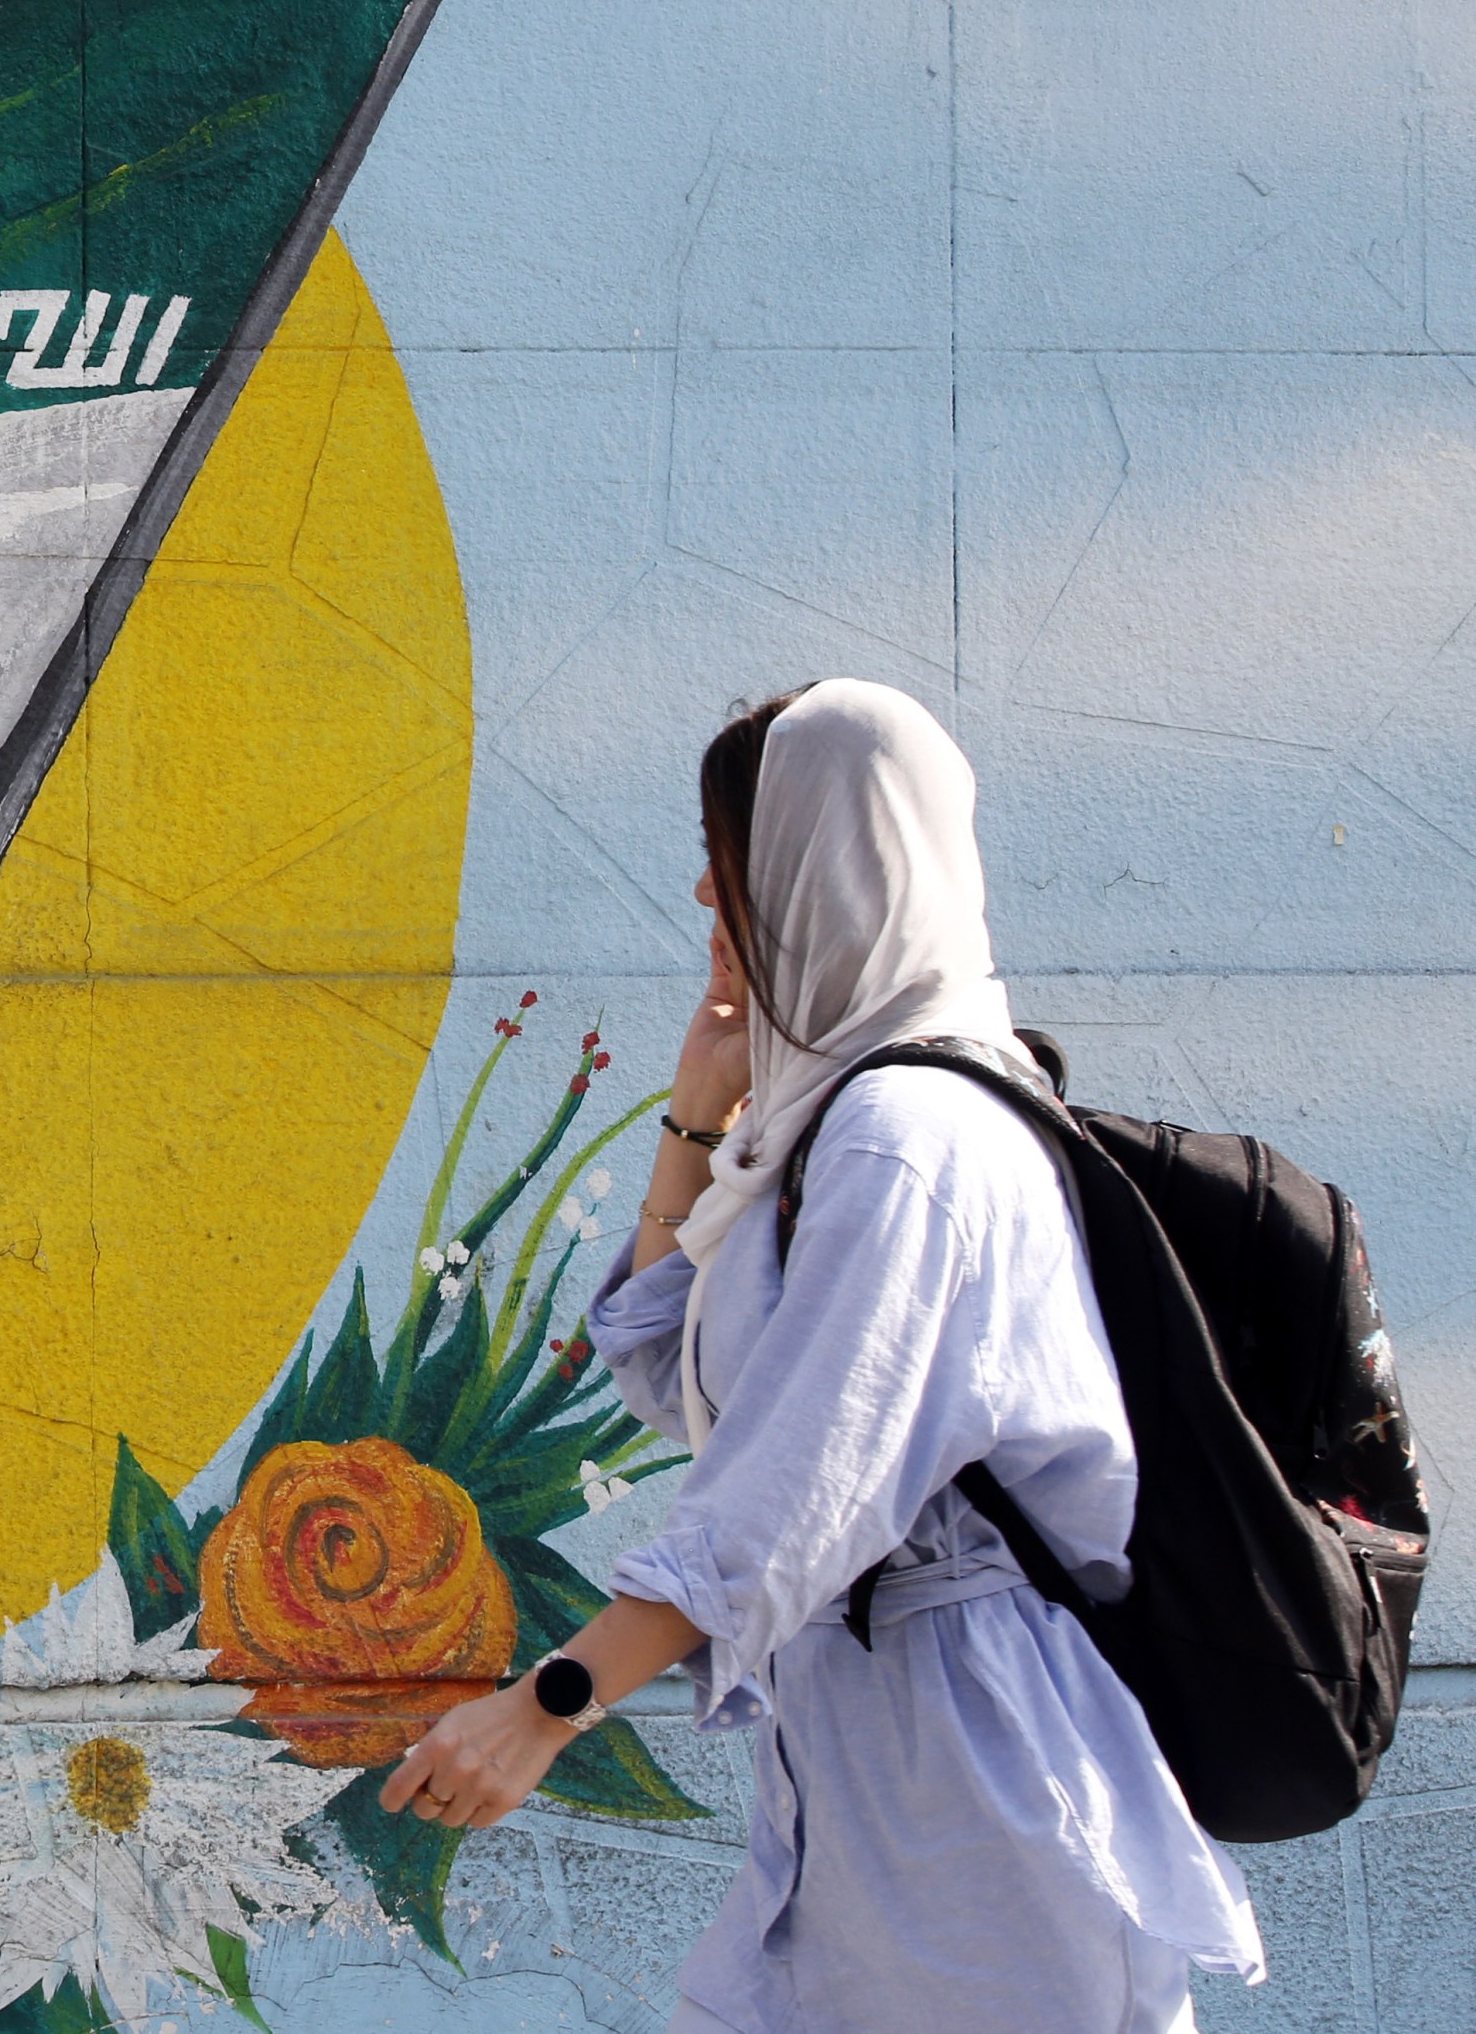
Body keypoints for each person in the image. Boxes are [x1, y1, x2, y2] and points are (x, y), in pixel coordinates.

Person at [376, 679, 1260, 2030]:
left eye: (730, 862)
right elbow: (675, 1383)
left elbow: (792, 1492)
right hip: (863, 1774)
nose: (700, 896)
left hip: (978, 1797)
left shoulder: (915, 1140)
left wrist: (549, 1703)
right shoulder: (829, 1127)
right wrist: (693, 1122)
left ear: (820, 879)